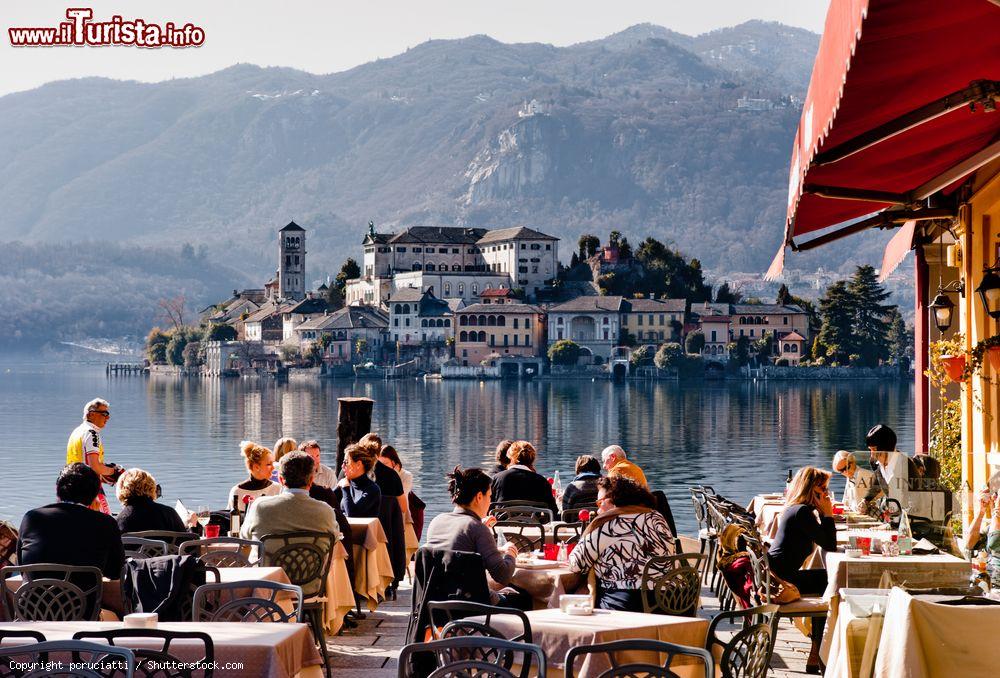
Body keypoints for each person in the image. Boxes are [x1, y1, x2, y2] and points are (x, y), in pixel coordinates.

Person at [424, 466, 531, 610]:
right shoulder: (476, 528)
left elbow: (455, 549)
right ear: (479, 497)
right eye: (490, 496)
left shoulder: (437, 521)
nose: (490, 502)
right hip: (474, 607)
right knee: (525, 598)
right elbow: (503, 576)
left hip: (437, 605)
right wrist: (510, 553)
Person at [567, 476, 675, 611]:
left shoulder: (606, 524)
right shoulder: (657, 517)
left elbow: (576, 564)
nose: (598, 510)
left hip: (625, 603)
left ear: (613, 499)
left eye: (600, 503)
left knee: (572, 600)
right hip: (669, 601)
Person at [767, 466, 836, 673]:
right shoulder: (803, 513)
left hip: (776, 575)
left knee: (826, 579)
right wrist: (828, 513)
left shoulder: (795, 508)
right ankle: (817, 651)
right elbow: (830, 545)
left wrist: (824, 514)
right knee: (830, 581)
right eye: (822, 489)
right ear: (811, 489)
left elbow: (824, 540)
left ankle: (818, 649)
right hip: (783, 581)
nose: (825, 493)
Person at [18, 464, 125, 587]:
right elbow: (116, 572)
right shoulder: (106, 523)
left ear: (57, 489)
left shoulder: (31, 518)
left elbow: (22, 566)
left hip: (31, 603)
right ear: (95, 495)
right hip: (84, 604)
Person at [240, 451, 341, 556]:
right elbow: (335, 539)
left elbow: (244, 538)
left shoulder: (260, 507)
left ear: (280, 480)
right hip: (311, 571)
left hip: (268, 570)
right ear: (311, 480)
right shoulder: (326, 511)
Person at [66, 398, 123, 514]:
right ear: (91, 414)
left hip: (71, 488)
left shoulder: (77, 431)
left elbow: (82, 463)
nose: (108, 417)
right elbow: (94, 467)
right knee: (105, 523)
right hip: (90, 490)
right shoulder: (92, 433)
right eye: (104, 413)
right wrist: (114, 472)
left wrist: (105, 471)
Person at [115, 468, 199, 534]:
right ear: (152, 487)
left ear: (121, 489)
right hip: (167, 556)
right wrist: (191, 526)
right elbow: (188, 547)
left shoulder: (120, 520)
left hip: (134, 556)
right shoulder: (168, 514)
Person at [490, 441, 558, 515]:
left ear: (511, 458)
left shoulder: (497, 479)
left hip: (501, 526)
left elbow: (487, 509)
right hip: (534, 525)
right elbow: (553, 513)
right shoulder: (542, 482)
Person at [227, 441, 281, 513]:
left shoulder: (278, 488)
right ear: (256, 467)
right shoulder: (237, 492)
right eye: (269, 464)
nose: (273, 468)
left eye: (273, 463)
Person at [965, 488, 1000, 580]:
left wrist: (997, 511)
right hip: (990, 583)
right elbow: (970, 543)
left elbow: (995, 542)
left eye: (996, 496)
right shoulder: (991, 528)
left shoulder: (995, 528)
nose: (994, 498)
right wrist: (981, 511)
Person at [339, 443, 382, 518]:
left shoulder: (373, 490)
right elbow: (326, 499)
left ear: (358, 464)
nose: (342, 466)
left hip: (361, 529)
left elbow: (352, 515)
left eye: (346, 462)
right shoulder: (347, 483)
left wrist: (345, 488)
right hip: (343, 528)